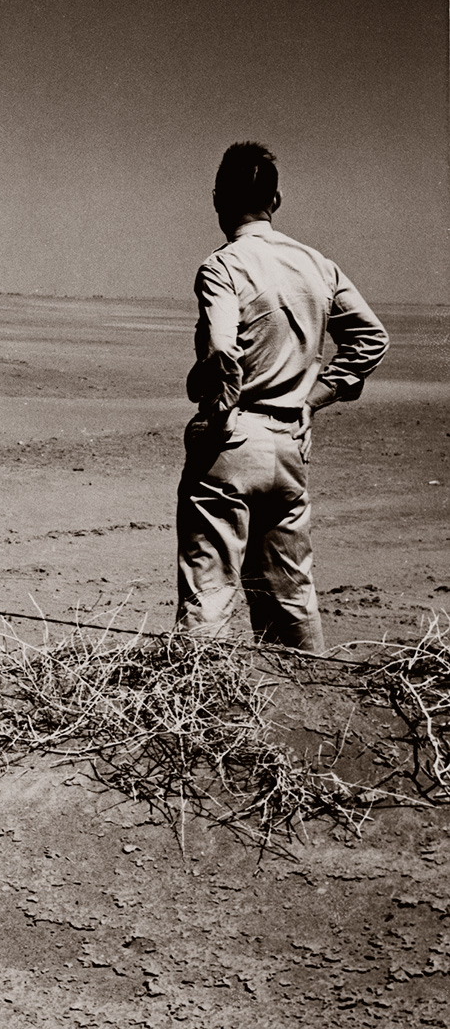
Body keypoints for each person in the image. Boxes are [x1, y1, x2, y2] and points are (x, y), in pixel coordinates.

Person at [176, 142, 388, 651]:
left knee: (210, 590)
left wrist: (215, 411)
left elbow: (224, 351)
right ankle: (308, 707)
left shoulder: (223, 265)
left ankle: (207, 712)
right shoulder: (316, 263)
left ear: (217, 199)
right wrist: (312, 399)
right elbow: (371, 338)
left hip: (234, 438)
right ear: (277, 199)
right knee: (291, 593)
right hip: (291, 438)